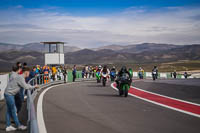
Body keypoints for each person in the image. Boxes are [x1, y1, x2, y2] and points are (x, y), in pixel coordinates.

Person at [4, 66, 38, 131]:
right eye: (29, 72)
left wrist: (32, 86)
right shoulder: (21, 78)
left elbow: (25, 85)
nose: (29, 74)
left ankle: (8, 126)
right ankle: (19, 126)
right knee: (13, 110)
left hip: (8, 93)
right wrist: (34, 86)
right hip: (9, 94)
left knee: (9, 111)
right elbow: (26, 86)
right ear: (26, 72)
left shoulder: (20, 77)